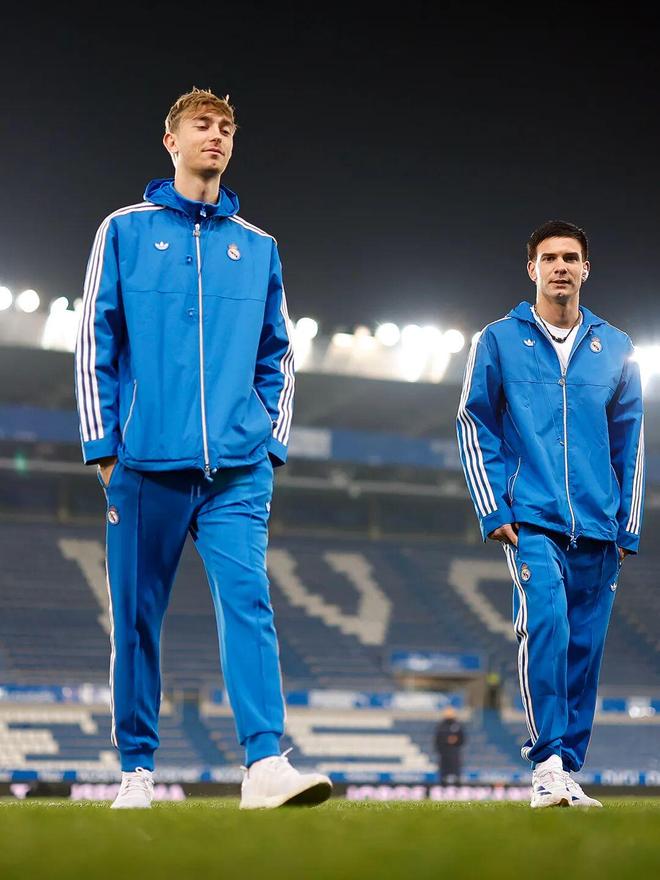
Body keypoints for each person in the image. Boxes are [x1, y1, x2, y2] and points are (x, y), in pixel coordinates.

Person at [74, 87, 331, 810]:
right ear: (172, 141)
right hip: (143, 466)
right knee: (136, 619)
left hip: (237, 472)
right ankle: (136, 772)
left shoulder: (259, 246)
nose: (214, 136)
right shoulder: (123, 231)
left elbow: (279, 355)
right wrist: (104, 448)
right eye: (200, 125)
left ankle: (265, 764)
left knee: (249, 602)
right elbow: (94, 339)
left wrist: (269, 444)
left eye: (224, 127)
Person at [456, 220, 644, 809]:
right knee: (547, 629)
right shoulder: (497, 340)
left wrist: (628, 524)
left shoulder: (617, 347)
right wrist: (492, 506)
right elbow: (474, 421)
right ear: (531, 269)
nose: (560, 266)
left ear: (586, 268)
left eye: (570, 257)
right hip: (533, 520)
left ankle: (568, 768)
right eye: (549, 257)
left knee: (585, 650)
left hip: (600, 525)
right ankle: (546, 765)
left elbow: (631, 441)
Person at [434, 706, 465, 784]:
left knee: (456, 773)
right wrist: (446, 741)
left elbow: (462, 738)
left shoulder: (457, 726)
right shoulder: (441, 726)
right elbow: (438, 740)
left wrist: (456, 740)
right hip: (444, 753)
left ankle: (456, 784)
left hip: (454, 753)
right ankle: (443, 784)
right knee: (443, 773)